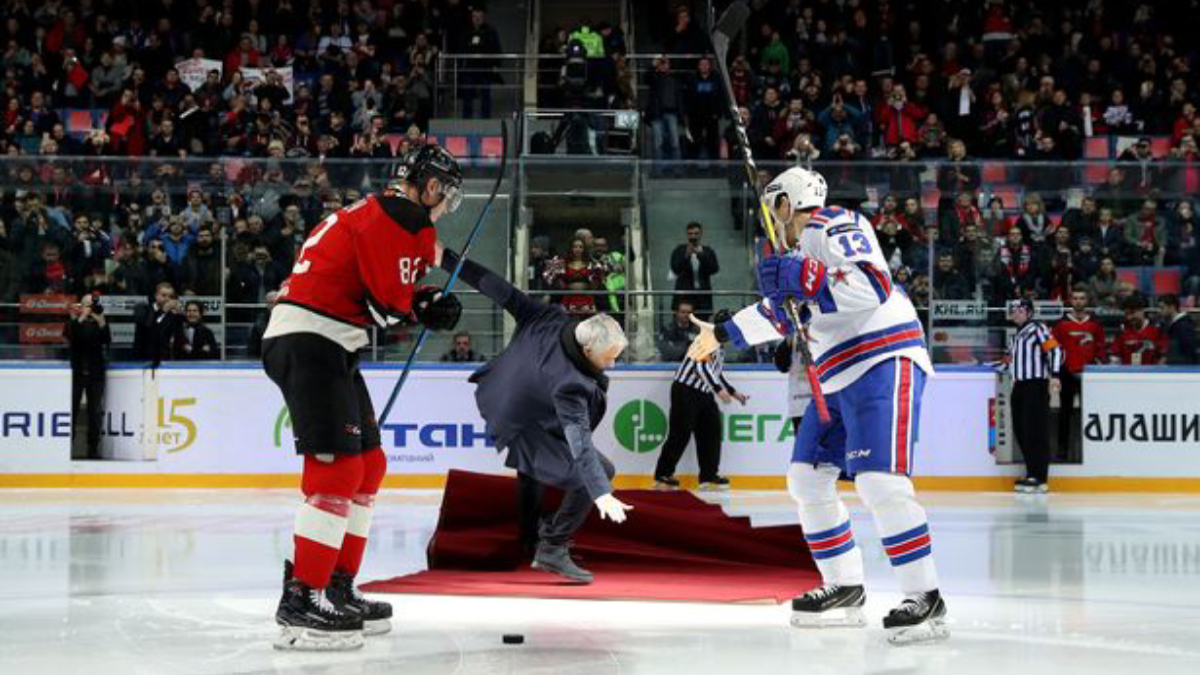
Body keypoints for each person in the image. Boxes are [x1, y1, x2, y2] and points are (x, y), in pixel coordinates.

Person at [687, 167, 947, 645]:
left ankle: (924, 595)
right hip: (836, 375)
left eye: (773, 206)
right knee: (806, 478)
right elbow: (779, 316)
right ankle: (845, 584)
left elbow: (872, 288)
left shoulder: (834, 225)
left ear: (788, 202)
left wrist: (809, 277)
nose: (769, 218)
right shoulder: (794, 254)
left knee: (880, 482)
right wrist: (722, 334)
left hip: (882, 358)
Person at [261, 144, 466, 651]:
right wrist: (423, 308)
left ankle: (335, 584)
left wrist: (424, 300)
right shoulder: (394, 220)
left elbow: (385, 294)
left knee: (368, 464)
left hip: (329, 341)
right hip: (310, 340)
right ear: (432, 186)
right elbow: (384, 310)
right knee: (336, 471)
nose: (445, 207)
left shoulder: (389, 215)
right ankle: (302, 598)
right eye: (447, 196)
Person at [439, 246, 633, 584]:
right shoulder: (571, 384)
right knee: (600, 470)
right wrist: (602, 491)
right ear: (588, 349)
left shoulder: (548, 316)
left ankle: (530, 540)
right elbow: (580, 445)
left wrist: (445, 258)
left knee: (532, 473)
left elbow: (497, 287)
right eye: (610, 357)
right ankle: (552, 547)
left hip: (518, 400)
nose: (613, 364)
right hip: (526, 419)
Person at [654, 309, 748, 490]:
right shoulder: (705, 339)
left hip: (704, 393)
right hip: (685, 390)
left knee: (711, 432)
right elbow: (701, 367)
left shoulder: (719, 347)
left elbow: (715, 373)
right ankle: (663, 474)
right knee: (679, 434)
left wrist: (733, 392)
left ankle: (708, 475)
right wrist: (719, 390)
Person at [1006, 297, 1064, 493]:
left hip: (1036, 385)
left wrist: (1055, 375)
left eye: (1020, 310)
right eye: (1013, 310)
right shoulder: (1017, 335)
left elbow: (1055, 351)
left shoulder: (1037, 328)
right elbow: (1012, 362)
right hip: (1020, 385)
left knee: (1035, 430)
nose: (1015, 313)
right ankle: (1032, 472)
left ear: (1029, 312)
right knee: (1021, 430)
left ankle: (1040, 477)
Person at [1052, 288, 1106, 458]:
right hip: (1067, 374)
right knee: (1065, 414)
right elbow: (1053, 349)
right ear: (1070, 301)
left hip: (1089, 375)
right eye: (1075, 298)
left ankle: (1092, 451)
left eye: (1082, 298)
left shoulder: (1095, 325)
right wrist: (1056, 372)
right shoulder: (1060, 324)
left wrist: (1097, 366)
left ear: (1087, 300)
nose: (1078, 302)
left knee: (1091, 414)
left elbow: (1101, 348)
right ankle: (1062, 451)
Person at [67, 292, 111, 460]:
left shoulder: (100, 321)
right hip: (77, 373)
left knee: (95, 412)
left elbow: (107, 341)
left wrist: (102, 323)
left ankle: (93, 448)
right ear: (80, 306)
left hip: (95, 374)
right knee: (72, 410)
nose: (89, 308)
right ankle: (67, 446)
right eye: (86, 304)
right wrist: (79, 318)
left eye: (91, 305)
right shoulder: (74, 322)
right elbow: (73, 340)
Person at [669, 221, 720, 318]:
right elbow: (675, 269)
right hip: (684, 297)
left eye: (696, 234)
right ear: (686, 234)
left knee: (702, 327)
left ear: (701, 234)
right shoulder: (679, 251)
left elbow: (714, 268)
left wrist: (701, 255)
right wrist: (686, 255)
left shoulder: (707, 251)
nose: (693, 237)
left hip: (703, 297)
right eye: (690, 234)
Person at [132, 282, 185, 366]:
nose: (167, 299)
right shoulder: (143, 309)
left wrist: (180, 316)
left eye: (170, 297)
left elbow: (178, 336)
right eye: (163, 295)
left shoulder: (171, 314)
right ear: (156, 295)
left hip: (166, 359)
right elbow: (148, 328)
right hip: (144, 358)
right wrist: (163, 311)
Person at [1111, 294, 1165, 365]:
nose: (1129, 317)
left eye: (1132, 313)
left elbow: (1163, 357)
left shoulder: (1157, 329)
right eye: (1126, 314)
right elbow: (1115, 358)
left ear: (1142, 311)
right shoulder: (1122, 331)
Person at [1157, 294, 1197, 365]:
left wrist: (1167, 359)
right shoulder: (1171, 324)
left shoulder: (1184, 325)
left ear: (1172, 307)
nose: (1160, 311)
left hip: (1183, 370)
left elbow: (1189, 351)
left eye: (1162, 308)